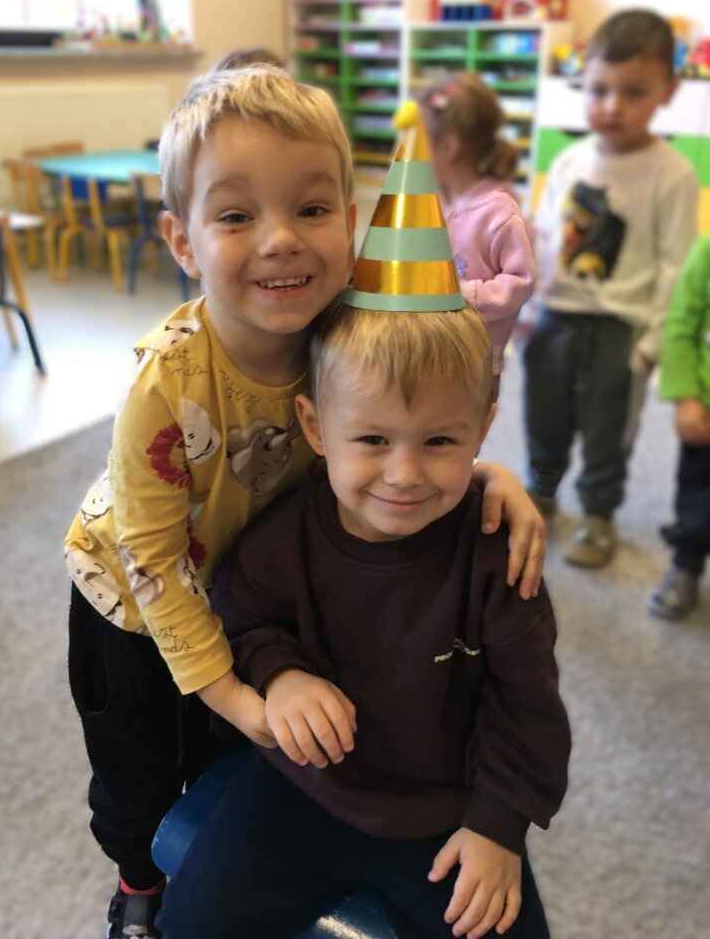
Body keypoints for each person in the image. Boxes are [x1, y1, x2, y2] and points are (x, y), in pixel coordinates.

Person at [63, 66, 548, 939]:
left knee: (229, 758)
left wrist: (484, 475)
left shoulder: (339, 327)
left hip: (250, 573)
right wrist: (240, 699)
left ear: (350, 223)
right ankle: (139, 883)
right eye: (236, 216)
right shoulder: (164, 384)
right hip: (135, 595)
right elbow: (152, 560)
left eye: (312, 209)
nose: (282, 240)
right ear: (182, 241)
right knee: (140, 773)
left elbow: (407, 421)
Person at [156, 296, 571, 939]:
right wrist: (281, 675)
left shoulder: (500, 559)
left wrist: (498, 825)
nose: (403, 475)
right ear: (316, 427)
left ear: (482, 430)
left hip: (445, 815)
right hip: (297, 790)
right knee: (190, 923)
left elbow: (527, 706)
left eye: (439, 441)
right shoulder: (281, 538)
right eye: (373, 440)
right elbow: (240, 618)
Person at [524, 9, 698, 567]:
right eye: (599, 90)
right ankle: (542, 493)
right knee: (543, 417)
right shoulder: (569, 161)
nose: (613, 106)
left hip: (620, 328)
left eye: (634, 91)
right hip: (556, 317)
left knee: (607, 433)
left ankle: (599, 514)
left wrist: (652, 346)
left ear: (668, 91)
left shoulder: (672, 174)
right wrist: (526, 307)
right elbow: (544, 239)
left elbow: (676, 268)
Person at [421, 72, 535, 397]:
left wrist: (464, 294)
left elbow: (521, 281)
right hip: (430, 344)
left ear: (448, 146)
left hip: (478, 359)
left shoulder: (499, 212)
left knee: (466, 423)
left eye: (421, 138)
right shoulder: (432, 198)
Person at [649, 235, 710, 619]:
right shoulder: (706, 251)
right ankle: (686, 564)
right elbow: (681, 325)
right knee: (698, 504)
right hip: (706, 417)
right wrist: (686, 397)